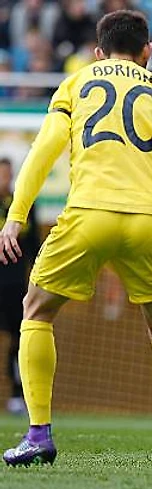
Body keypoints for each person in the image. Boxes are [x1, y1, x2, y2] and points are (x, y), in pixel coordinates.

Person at [0, 10, 152, 475]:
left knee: (36, 310)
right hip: (150, 222)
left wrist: (16, 217)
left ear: (97, 51)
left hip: (88, 214)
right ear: (147, 51)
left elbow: (42, 152)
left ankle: (38, 435)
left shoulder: (76, 83)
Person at [0, 157, 40, 415]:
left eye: (7, 174)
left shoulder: (21, 206)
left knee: (20, 338)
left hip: (16, 286)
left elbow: (34, 244)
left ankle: (17, 394)